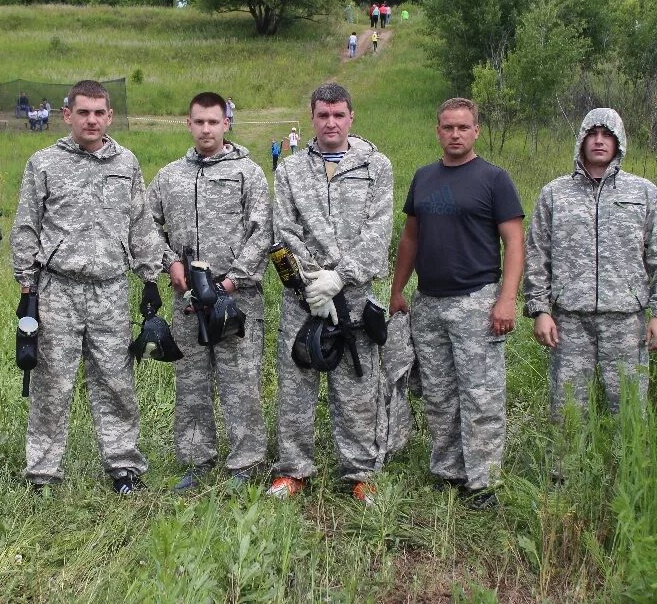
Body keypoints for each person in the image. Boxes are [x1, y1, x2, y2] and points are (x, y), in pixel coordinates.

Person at [11, 79, 164, 494]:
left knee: (116, 381)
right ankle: (43, 473)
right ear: (68, 115)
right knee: (51, 383)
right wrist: (28, 290)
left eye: (99, 112)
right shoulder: (44, 163)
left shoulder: (126, 163)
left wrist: (150, 278)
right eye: (83, 112)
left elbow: (140, 222)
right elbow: (26, 227)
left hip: (111, 291)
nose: (92, 120)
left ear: (109, 116)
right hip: (58, 289)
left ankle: (123, 467)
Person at [388, 98, 524, 510]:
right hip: (429, 303)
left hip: (476, 301)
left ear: (476, 131)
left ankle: (483, 482)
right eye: (447, 127)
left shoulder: (494, 179)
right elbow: (410, 237)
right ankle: (449, 470)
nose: (455, 134)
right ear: (437, 131)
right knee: (439, 394)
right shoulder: (424, 178)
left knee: (480, 397)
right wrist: (397, 290)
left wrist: (507, 299)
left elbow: (514, 243)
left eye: (463, 127)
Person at [267, 82, 394, 505]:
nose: (331, 123)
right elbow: (284, 232)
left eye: (339, 114)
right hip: (303, 299)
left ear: (351, 117)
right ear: (312, 117)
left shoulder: (376, 167)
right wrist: (311, 284)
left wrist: (340, 278)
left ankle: (361, 473)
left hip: (354, 297)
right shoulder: (290, 170)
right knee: (296, 382)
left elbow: (378, 234)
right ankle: (293, 471)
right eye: (323, 115)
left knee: (357, 385)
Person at [146, 91, 272, 491]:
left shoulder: (247, 173)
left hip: (237, 299)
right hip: (187, 302)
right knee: (192, 383)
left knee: (241, 382)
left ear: (226, 124)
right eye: (198, 121)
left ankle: (246, 463)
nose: (206, 129)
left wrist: (232, 280)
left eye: (213, 122)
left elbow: (263, 232)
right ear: (188, 124)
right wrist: (170, 263)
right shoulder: (169, 177)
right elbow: (145, 226)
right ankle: (197, 460)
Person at [524, 108, 657, 420]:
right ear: (581, 140)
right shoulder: (555, 194)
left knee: (630, 413)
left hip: (625, 322)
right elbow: (537, 254)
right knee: (566, 412)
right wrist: (540, 310)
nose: (599, 141)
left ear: (619, 141)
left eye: (607, 135)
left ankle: (628, 468)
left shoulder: (643, 192)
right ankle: (566, 471)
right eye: (592, 134)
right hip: (569, 322)